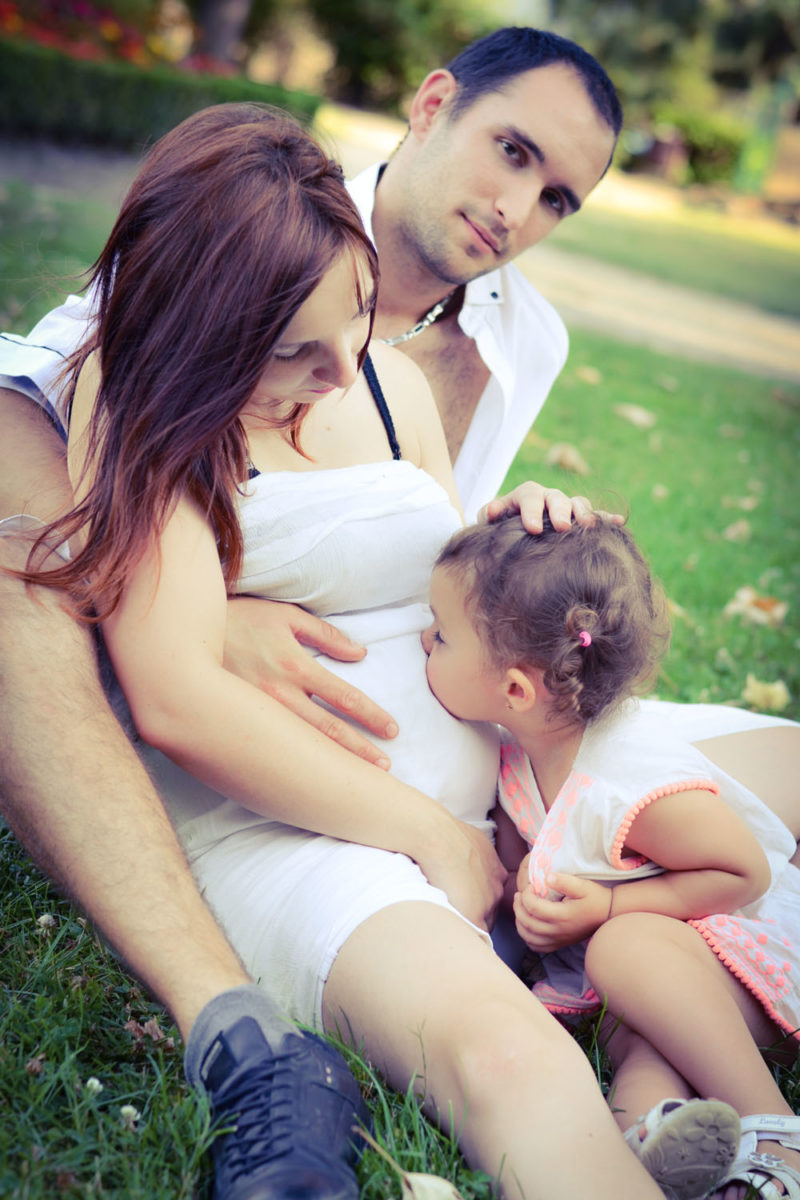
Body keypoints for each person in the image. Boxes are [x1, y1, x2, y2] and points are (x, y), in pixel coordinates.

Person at [0, 22, 795, 1194]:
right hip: (319, 836)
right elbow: (134, 654)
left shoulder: (386, 364)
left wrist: (511, 537)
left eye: (558, 195)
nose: (341, 370)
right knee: (508, 1059)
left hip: (508, 769)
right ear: (430, 109)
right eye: (509, 150)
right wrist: (429, 831)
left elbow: (430, 564)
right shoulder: (159, 389)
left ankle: (680, 1089)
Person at [420, 512, 800, 1200]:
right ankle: (651, 1143)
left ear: (515, 689)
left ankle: (775, 1130)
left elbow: (746, 871)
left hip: (737, 957)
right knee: (638, 1039)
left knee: (625, 954)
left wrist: (612, 905)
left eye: (440, 635)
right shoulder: (521, 750)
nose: (423, 641)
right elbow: (535, 849)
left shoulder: (628, 781)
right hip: (655, 984)